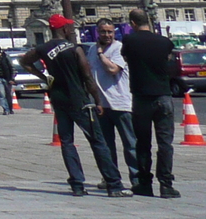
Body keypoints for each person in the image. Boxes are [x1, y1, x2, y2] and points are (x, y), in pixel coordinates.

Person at [21, 15, 130, 198]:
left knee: (67, 142)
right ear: (63, 29)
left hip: (58, 99)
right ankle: (114, 185)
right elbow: (87, 77)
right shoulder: (75, 49)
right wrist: (97, 100)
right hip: (79, 100)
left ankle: (77, 184)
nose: (70, 30)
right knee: (97, 141)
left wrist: (44, 77)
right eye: (68, 27)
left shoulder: (43, 48)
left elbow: (24, 62)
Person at [121, 7, 181, 199]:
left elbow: (126, 58)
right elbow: (169, 61)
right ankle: (166, 184)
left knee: (143, 143)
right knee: (165, 143)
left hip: (141, 97)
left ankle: (144, 183)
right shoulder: (165, 42)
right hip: (163, 96)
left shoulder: (129, 40)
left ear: (132, 24)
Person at [85, 19, 135, 189]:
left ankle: (136, 179)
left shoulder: (119, 48)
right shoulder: (91, 49)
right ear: (97, 32)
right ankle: (111, 178)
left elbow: (112, 69)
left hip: (121, 103)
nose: (107, 35)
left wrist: (101, 54)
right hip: (101, 105)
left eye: (110, 32)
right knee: (106, 146)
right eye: (103, 31)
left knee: (130, 144)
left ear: (114, 32)